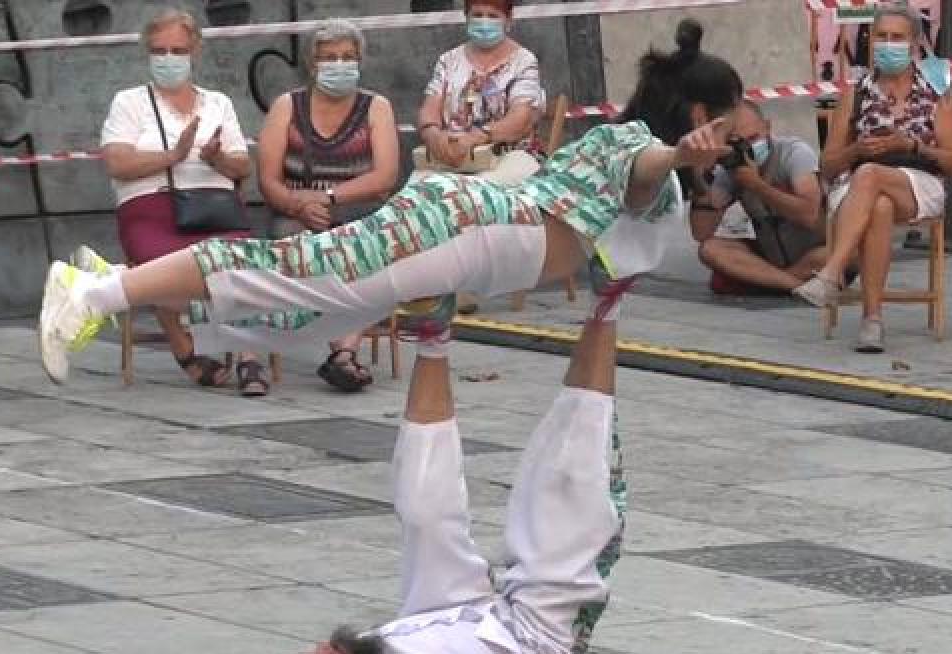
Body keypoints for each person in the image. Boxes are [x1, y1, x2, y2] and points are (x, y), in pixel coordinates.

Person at [30, 313, 702, 654]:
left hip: (436, 612)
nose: (320, 650)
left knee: (422, 508)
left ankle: (432, 334)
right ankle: (609, 304)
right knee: (568, 484)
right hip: (531, 642)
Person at [36, 22, 742, 387]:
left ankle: (104, 287)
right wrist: (682, 154)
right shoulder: (632, 144)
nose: (742, 135)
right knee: (282, 267)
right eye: (734, 121)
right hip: (458, 225)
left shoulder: (624, 145)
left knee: (311, 306)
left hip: (460, 240)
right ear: (704, 111)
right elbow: (646, 168)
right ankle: (92, 291)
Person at [99, 9, 268, 395]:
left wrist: (216, 158)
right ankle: (184, 344)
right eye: (160, 51)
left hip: (214, 205)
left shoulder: (217, 103)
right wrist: (172, 156)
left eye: (178, 50)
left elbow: (243, 166)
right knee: (163, 265)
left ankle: (248, 356)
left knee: (241, 259)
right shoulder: (129, 102)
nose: (169, 59)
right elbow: (117, 162)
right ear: (147, 52)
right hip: (151, 209)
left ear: (195, 51)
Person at [792, 1, 952, 354]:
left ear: (915, 43)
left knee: (874, 179)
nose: (888, 44)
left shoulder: (935, 91)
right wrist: (856, 151)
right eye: (881, 37)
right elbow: (828, 166)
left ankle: (832, 272)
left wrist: (913, 146)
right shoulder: (855, 94)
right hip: (858, 185)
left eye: (897, 38)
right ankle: (872, 321)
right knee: (879, 204)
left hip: (918, 181)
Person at [257, 20, 400, 393]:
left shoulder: (376, 107)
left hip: (357, 209)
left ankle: (343, 352)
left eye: (348, 57)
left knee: (367, 251)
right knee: (301, 246)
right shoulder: (286, 106)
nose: (340, 65)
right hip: (296, 213)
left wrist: (331, 198)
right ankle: (344, 355)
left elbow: (385, 175)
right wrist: (296, 204)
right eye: (330, 58)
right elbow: (268, 179)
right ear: (312, 64)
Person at [416, 0, 546, 312]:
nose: (484, 22)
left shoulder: (523, 60)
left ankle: (465, 284)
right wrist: (433, 134)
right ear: (466, 17)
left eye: (492, 15)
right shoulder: (448, 60)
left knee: (475, 193)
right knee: (417, 189)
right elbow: (429, 108)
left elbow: (521, 119)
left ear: (508, 19)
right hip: (452, 154)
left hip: (509, 152)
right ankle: (426, 283)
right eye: (477, 15)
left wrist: (478, 137)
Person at [691, 100, 826, 295]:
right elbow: (701, 232)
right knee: (710, 250)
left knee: (837, 254)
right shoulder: (732, 167)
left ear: (768, 127)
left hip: (815, 251)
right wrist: (700, 181)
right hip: (772, 255)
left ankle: (770, 281)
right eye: (738, 142)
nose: (748, 149)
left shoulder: (794, 153)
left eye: (753, 138)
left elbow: (809, 215)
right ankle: (794, 286)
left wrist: (757, 185)